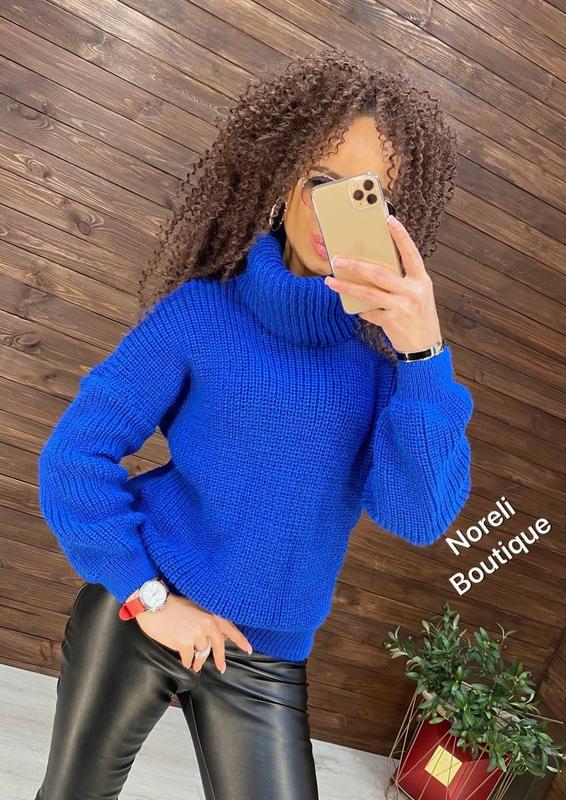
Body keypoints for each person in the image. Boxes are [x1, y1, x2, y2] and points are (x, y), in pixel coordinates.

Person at [33, 49, 474, 800]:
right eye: (323, 182)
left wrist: (425, 357)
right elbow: (73, 456)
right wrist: (148, 598)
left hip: (266, 656)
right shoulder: (200, 316)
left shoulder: (387, 365)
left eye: (369, 197)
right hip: (143, 612)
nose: (338, 214)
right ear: (282, 176)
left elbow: (419, 515)